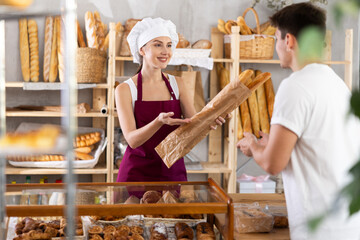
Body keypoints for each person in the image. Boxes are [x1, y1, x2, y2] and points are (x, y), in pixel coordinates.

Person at [237, 2, 360, 240]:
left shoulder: (294, 85)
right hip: (349, 226)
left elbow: (273, 164)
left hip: (320, 230)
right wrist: (275, 141)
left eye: (277, 40)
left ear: (289, 41)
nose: (277, 47)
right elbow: (320, 145)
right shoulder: (337, 85)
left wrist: (253, 145)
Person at [115, 17, 225, 184]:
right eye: (158, 45)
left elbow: (192, 127)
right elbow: (132, 139)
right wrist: (158, 122)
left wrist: (209, 122)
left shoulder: (177, 84)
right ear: (142, 49)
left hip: (171, 171)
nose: (165, 51)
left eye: (168, 45)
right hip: (136, 173)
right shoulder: (125, 89)